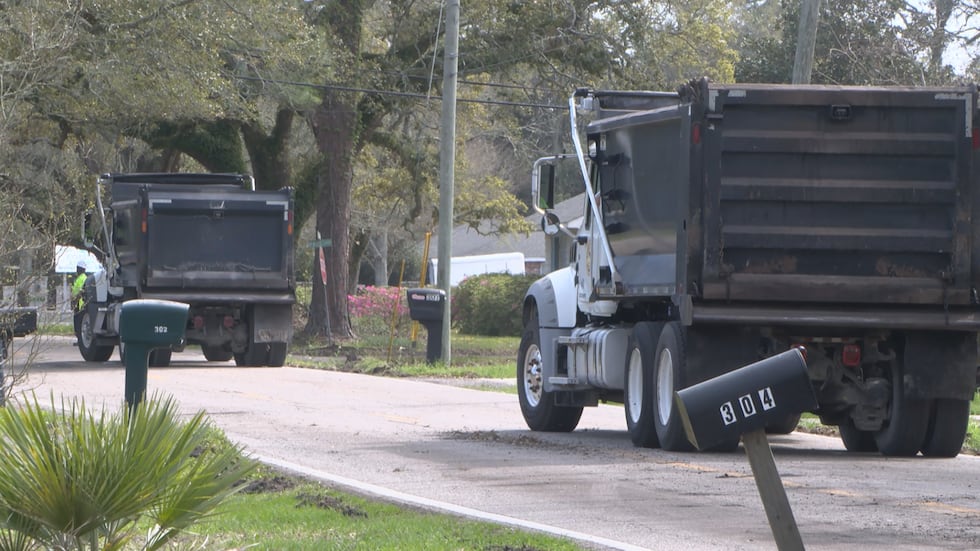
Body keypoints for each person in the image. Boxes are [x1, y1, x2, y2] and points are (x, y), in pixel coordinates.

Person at [71, 262, 88, 339]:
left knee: (79, 322)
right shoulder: (79, 278)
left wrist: (75, 301)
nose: (77, 270)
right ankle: (79, 338)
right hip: (77, 303)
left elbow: (81, 291)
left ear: (81, 269)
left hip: (80, 303)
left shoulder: (82, 278)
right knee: (77, 321)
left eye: (78, 268)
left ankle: (80, 338)